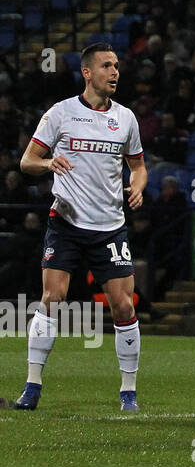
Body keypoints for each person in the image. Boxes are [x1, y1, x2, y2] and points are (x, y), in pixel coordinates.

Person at [14, 43, 147, 412]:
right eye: (107, 66)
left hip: (110, 227)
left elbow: (138, 166)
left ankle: (128, 392)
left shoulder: (126, 119)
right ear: (88, 73)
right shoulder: (61, 113)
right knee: (52, 299)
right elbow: (27, 161)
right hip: (67, 223)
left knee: (122, 305)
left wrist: (137, 186)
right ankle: (33, 387)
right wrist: (48, 164)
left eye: (117, 66)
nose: (115, 72)